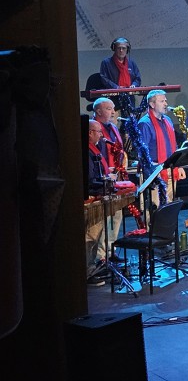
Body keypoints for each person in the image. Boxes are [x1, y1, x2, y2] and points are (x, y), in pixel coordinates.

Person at [91, 97, 127, 264]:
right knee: (104, 220)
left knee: (116, 216)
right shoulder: (93, 128)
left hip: (116, 178)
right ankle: (101, 256)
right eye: (108, 109)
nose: (113, 112)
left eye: (113, 109)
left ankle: (111, 251)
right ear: (98, 111)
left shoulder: (112, 127)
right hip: (101, 181)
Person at [137, 89, 185, 206]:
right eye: (162, 101)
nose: (166, 104)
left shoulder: (167, 120)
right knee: (157, 208)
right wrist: (152, 174)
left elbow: (174, 146)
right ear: (152, 104)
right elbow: (142, 152)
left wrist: (178, 166)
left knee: (169, 206)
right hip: (156, 172)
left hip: (170, 171)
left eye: (166, 101)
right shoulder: (145, 123)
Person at [84, 120, 112, 286]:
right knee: (91, 236)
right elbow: (90, 179)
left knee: (97, 236)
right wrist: (107, 181)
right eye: (98, 132)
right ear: (89, 133)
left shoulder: (94, 149)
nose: (101, 136)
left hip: (98, 196)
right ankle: (87, 272)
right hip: (92, 199)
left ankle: (92, 267)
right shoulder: (86, 151)